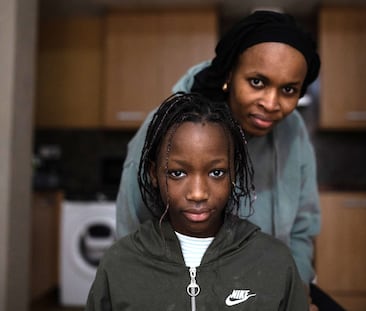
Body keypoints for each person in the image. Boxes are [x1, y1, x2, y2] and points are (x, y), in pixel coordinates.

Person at [116, 10, 345, 311]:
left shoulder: (294, 132)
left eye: (288, 90)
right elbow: (134, 235)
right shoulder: (166, 133)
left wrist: (297, 291)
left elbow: (302, 228)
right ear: (228, 74)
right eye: (257, 82)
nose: (271, 103)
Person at [86, 93, 308, 310]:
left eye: (217, 173)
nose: (198, 193)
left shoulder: (274, 262)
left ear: (234, 173)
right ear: (154, 174)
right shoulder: (119, 264)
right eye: (178, 173)